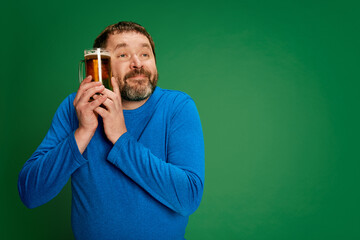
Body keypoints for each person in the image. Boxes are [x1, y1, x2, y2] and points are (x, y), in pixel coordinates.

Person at [18, 21, 204, 240]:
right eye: (123, 55)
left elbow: (188, 197)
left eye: (145, 54)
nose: (137, 63)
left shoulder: (177, 107)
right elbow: (30, 193)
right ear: (101, 66)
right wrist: (83, 132)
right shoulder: (75, 107)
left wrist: (120, 137)